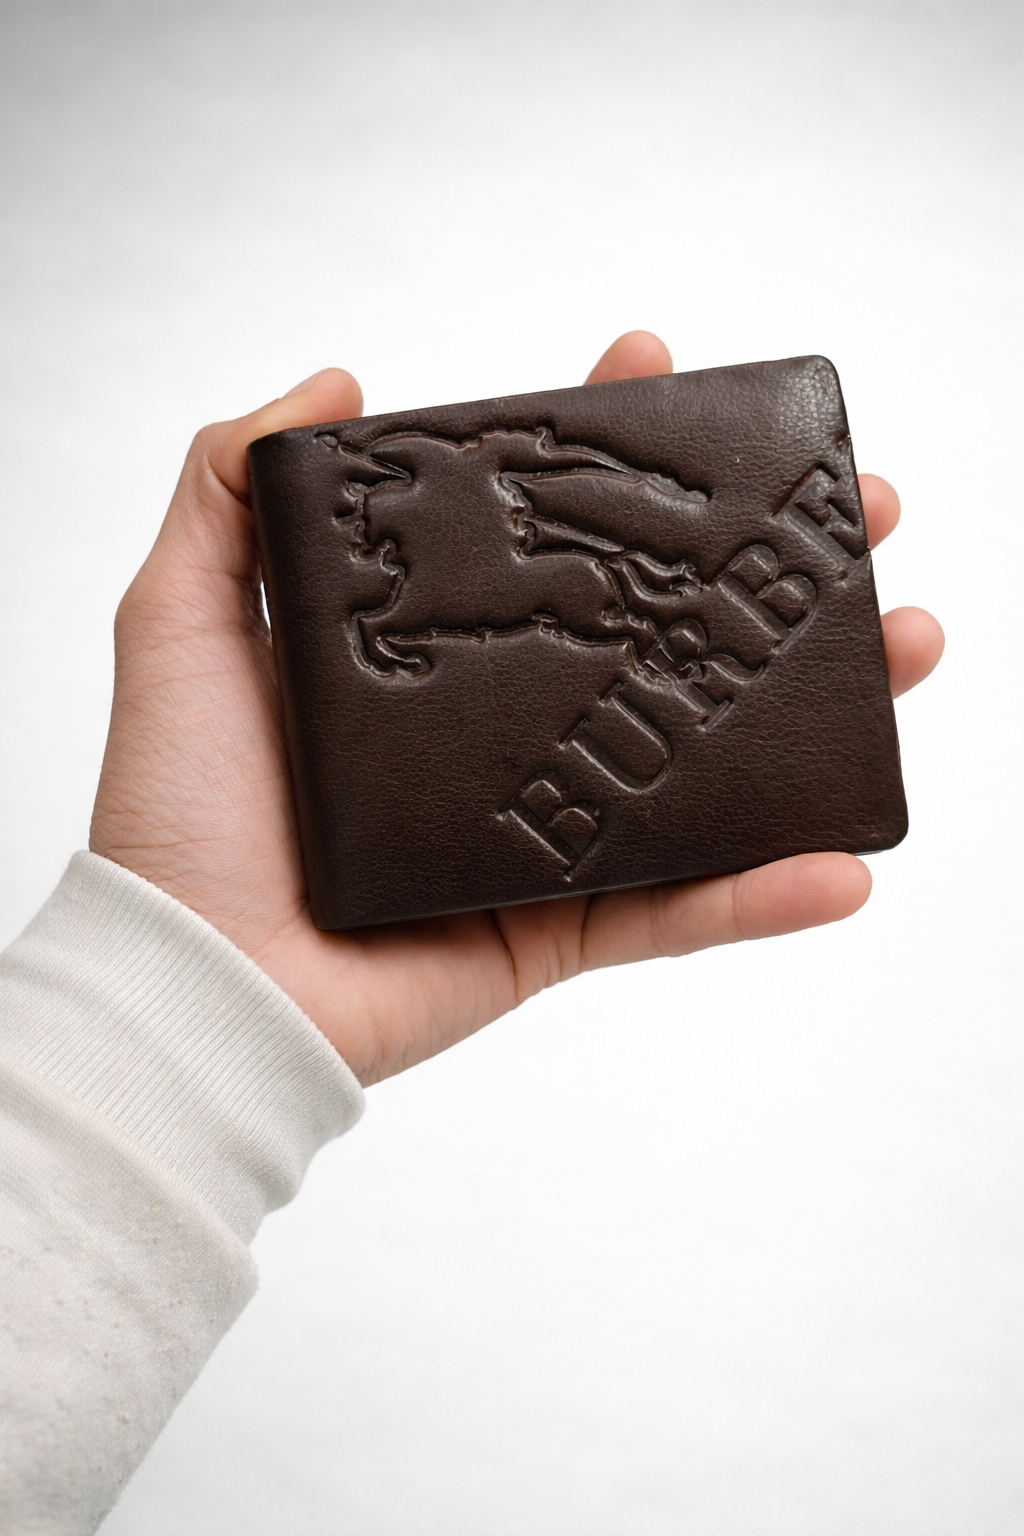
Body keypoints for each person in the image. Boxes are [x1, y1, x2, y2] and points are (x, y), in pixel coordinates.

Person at [0, 332, 943, 1533]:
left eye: (381, 522)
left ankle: (673, 606)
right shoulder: (440, 515)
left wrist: (183, 1012)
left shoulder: (466, 508)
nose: (371, 537)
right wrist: (209, 959)